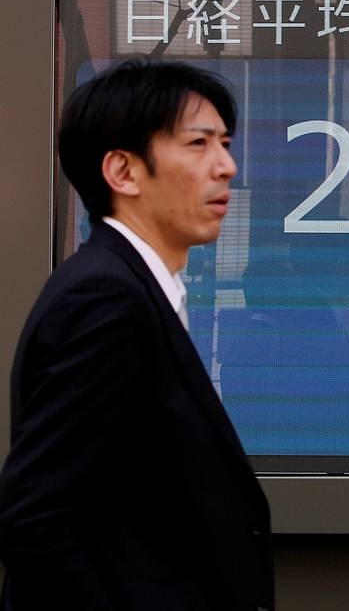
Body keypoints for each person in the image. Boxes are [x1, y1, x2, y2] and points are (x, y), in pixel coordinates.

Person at [0, 60, 274, 610]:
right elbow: (35, 516)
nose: (226, 166)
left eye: (225, 144)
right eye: (198, 144)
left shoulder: (133, 286)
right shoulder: (107, 299)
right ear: (123, 172)